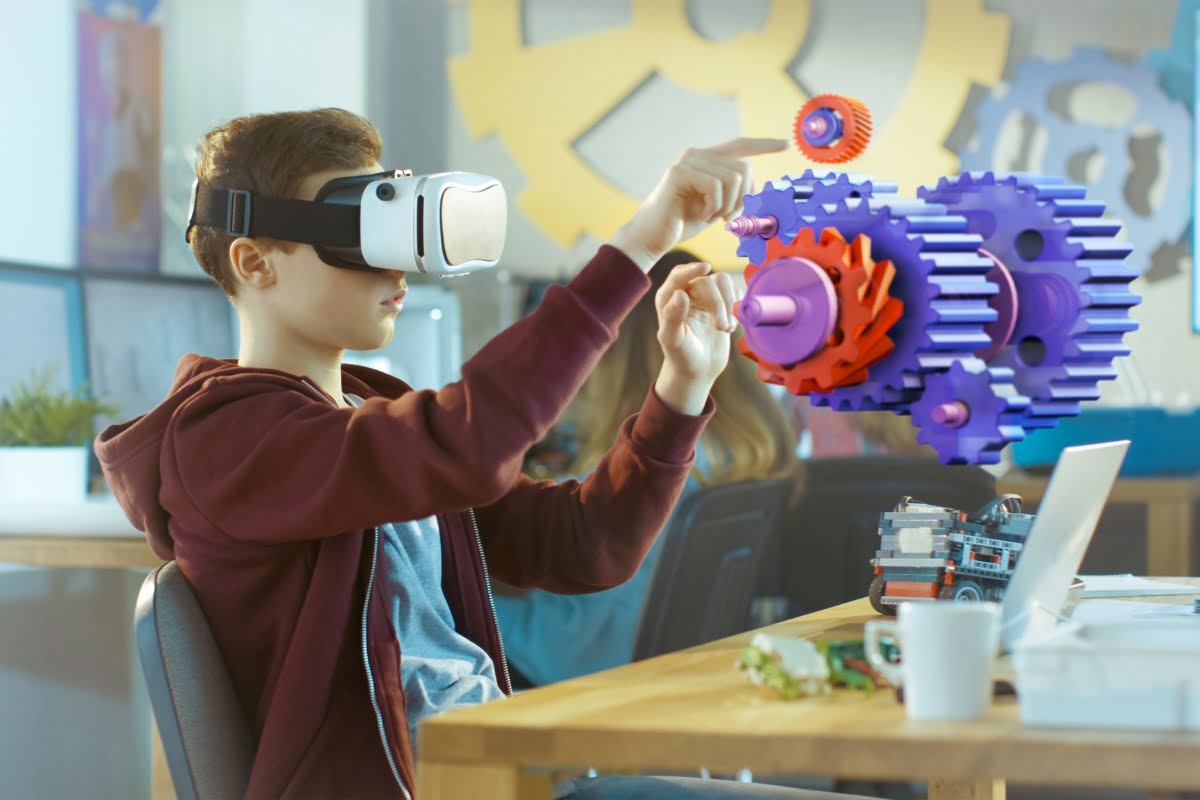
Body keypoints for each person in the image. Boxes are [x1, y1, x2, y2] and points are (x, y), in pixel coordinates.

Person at [96, 108, 871, 800]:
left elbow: (585, 547)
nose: (394, 269)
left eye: (395, 234)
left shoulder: (367, 412)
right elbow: (468, 444)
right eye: (354, 239)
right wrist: (638, 248)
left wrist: (679, 388)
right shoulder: (225, 441)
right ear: (255, 262)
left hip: (508, 768)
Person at [495, 248, 799, 687]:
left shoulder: (661, 469)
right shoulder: (742, 452)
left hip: (577, 659)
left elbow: (571, 529)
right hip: (650, 662)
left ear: (621, 350)